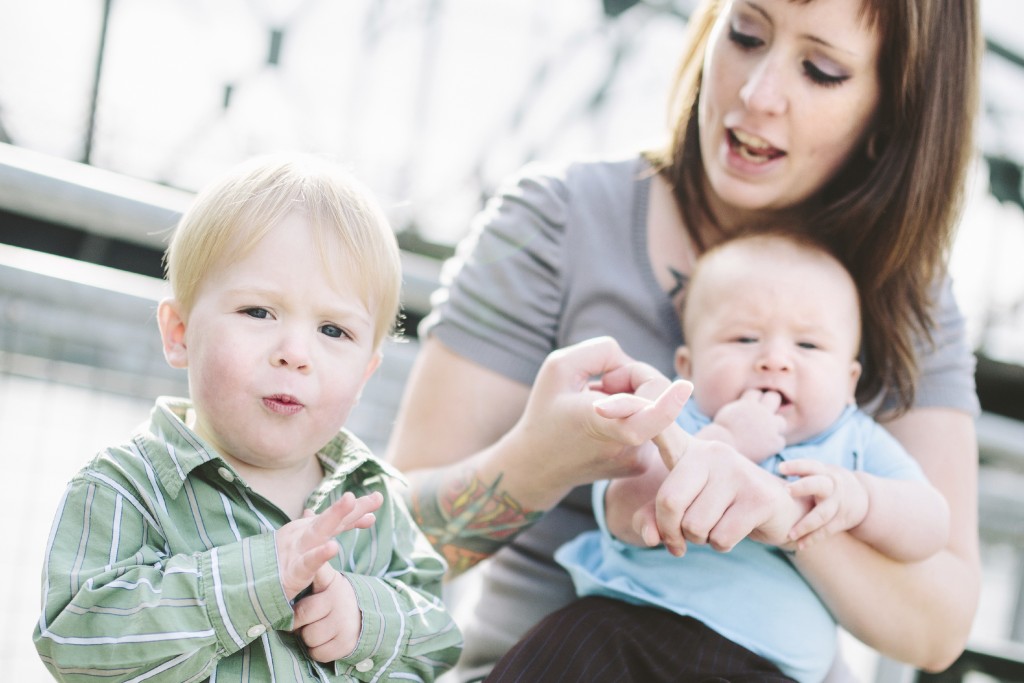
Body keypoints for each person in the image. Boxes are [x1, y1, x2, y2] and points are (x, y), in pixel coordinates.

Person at [386, 0, 982, 679]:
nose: (758, 94)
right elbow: (388, 551)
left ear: (893, 115)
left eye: (820, 70)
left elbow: (939, 628)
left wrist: (778, 509)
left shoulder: (908, 297)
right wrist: (540, 461)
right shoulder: (554, 221)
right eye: (746, 33)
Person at [33, 154, 463, 682]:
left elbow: (438, 640)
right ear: (180, 333)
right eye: (258, 312)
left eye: (334, 331)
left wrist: (365, 615)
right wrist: (256, 578)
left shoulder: (376, 498)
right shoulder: (126, 488)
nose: (295, 352)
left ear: (367, 373)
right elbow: (75, 645)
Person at [487, 232, 952, 683]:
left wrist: (863, 499)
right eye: (744, 339)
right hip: (627, 624)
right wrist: (724, 439)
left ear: (850, 381)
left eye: (808, 345)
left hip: (767, 664)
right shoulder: (676, 415)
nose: (775, 360)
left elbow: (931, 524)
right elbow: (625, 511)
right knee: (555, 653)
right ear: (687, 366)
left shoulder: (855, 443)